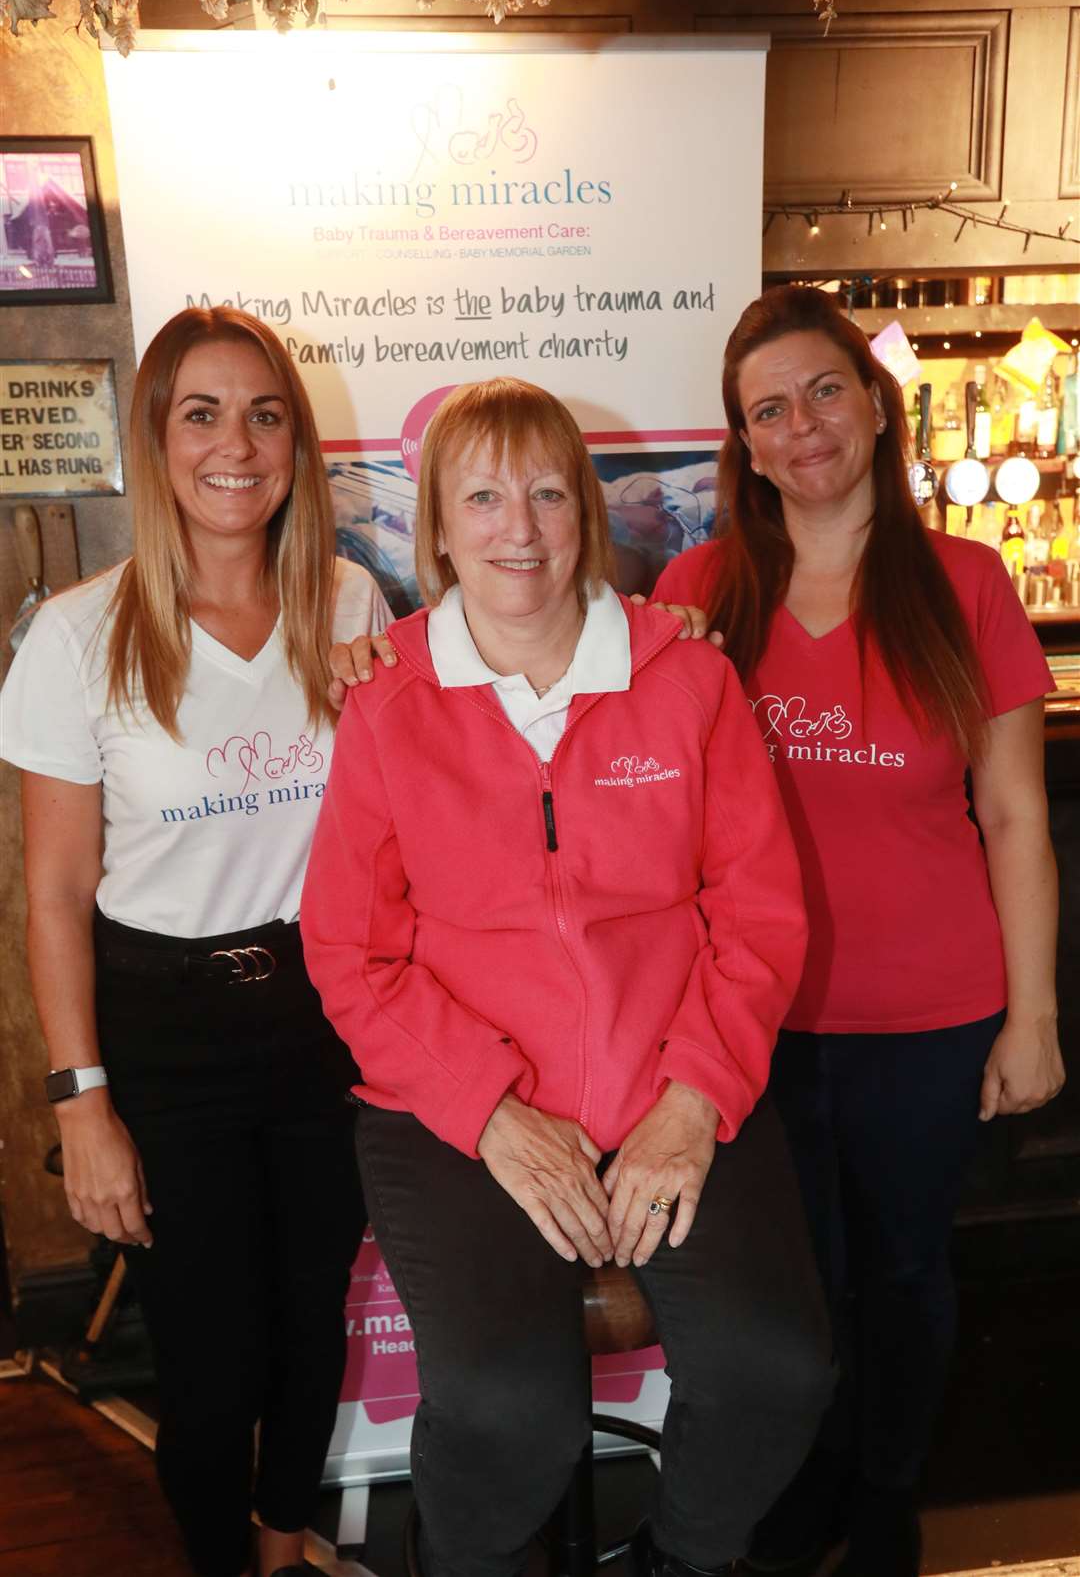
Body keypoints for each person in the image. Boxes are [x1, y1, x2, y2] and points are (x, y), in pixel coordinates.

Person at [300, 376, 833, 1577]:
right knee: (502, 1407)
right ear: (437, 526)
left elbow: (757, 916)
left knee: (777, 1369)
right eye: (482, 496)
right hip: (455, 1114)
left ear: (587, 515)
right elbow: (350, 952)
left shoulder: (688, 680)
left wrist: (692, 1104)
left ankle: (681, 1563)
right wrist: (491, 1116)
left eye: (547, 492)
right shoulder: (386, 703)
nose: (519, 527)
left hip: (675, 1085)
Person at [651, 284, 1064, 1577]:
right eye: (768, 410)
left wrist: (1035, 1017)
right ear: (745, 445)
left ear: (877, 407)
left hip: (930, 1018)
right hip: (748, 1025)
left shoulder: (968, 584)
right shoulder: (699, 590)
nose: (803, 426)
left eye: (824, 391)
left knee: (901, 1277)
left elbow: (1011, 816)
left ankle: (885, 1498)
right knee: (788, 1296)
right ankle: (798, 1493)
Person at [0, 307, 391, 1577]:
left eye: (265, 414)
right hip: (165, 1033)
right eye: (203, 414)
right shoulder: (76, 635)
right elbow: (54, 895)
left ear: (297, 445)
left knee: (311, 1333)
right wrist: (84, 1103)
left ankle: (285, 1542)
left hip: (326, 1007)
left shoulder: (347, 598)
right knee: (214, 1367)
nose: (238, 445)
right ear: (159, 437)